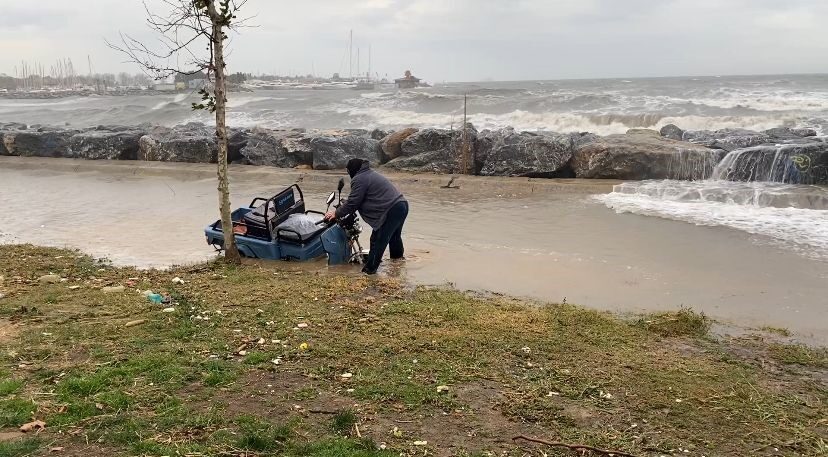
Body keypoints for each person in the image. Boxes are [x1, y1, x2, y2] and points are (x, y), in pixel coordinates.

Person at [324, 158, 408, 275]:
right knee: (394, 237)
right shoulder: (368, 174)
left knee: (377, 240)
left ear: (352, 170)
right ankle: (397, 264)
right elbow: (358, 197)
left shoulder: (359, 178)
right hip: (401, 205)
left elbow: (353, 202)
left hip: (391, 210)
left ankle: (369, 272)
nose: (349, 175)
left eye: (349, 172)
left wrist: (336, 213)